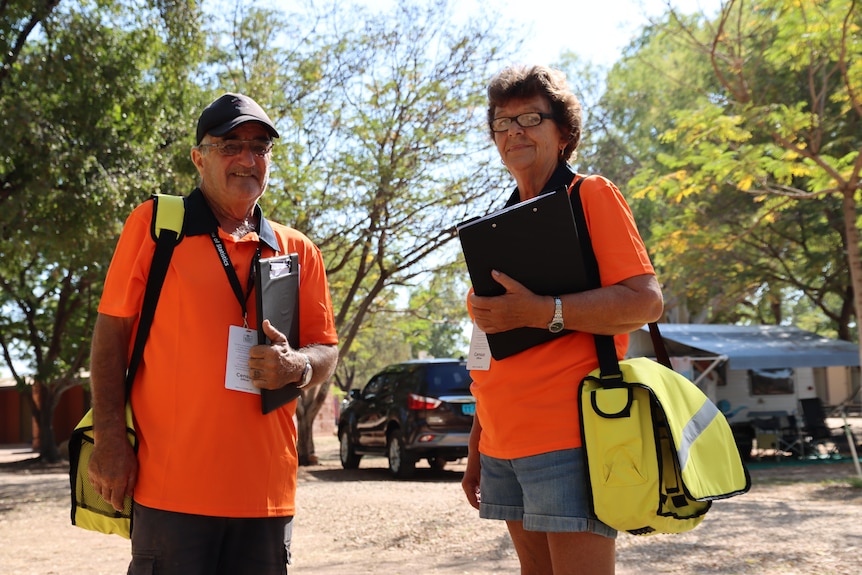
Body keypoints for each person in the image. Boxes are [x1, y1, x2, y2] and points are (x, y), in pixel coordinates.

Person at [87, 93, 339, 574]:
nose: (247, 158)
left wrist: (299, 366)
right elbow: (110, 337)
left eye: (260, 146)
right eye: (230, 145)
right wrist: (110, 442)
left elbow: (326, 349)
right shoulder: (157, 227)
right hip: (170, 490)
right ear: (199, 157)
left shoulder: (297, 250)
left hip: (266, 495)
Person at [460, 65, 664, 575]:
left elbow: (645, 302)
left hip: (571, 436)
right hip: (503, 442)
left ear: (564, 132)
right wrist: (477, 445)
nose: (514, 133)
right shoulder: (496, 226)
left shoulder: (590, 196)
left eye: (530, 118)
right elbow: (491, 344)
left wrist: (545, 311)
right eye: (502, 123)